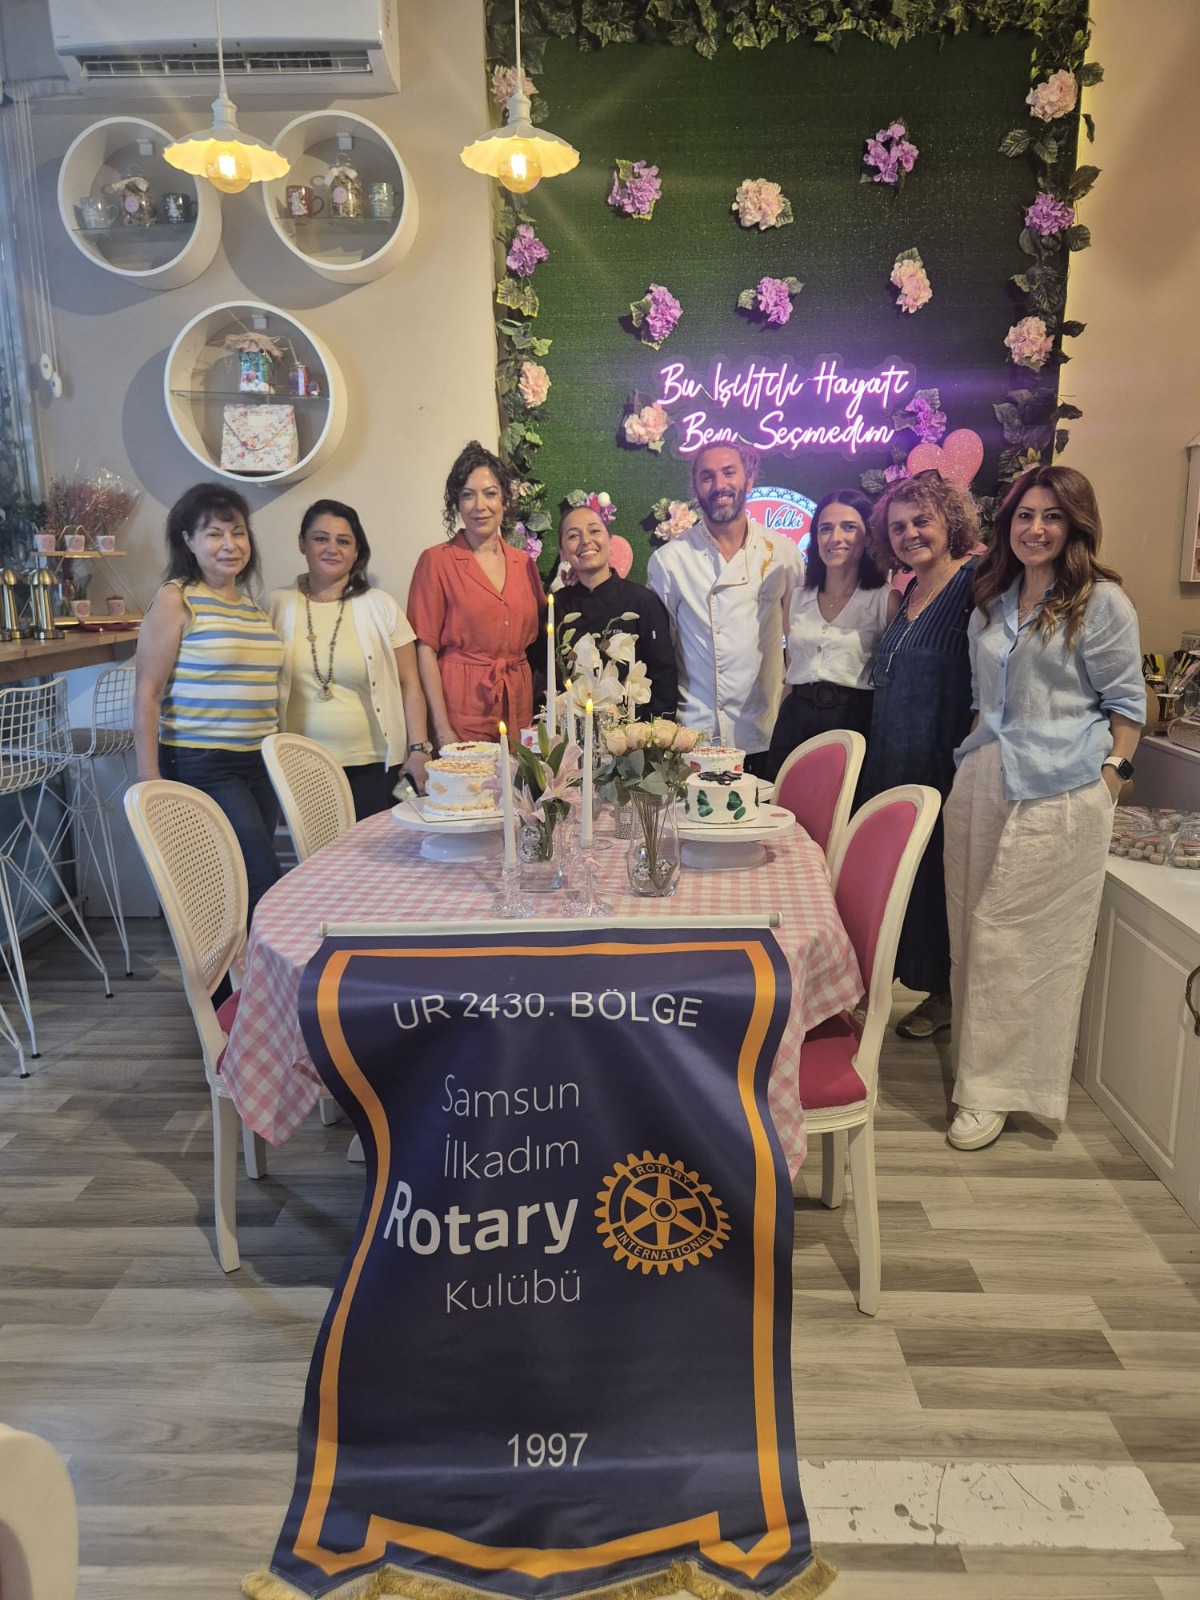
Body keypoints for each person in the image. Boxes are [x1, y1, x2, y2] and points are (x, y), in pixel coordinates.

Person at [943, 465, 1143, 1151]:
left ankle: (999, 1092)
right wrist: (969, 762)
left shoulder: (1101, 602)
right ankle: (975, 1071)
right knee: (972, 933)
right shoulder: (990, 598)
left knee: (1024, 942)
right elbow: (983, 701)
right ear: (1008, 524)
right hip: (984, 778)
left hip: (1061, 788)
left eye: (1052, 516)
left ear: (1074, 525)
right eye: (1025, 515)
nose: (1036, 529)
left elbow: (1127, 707)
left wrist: (1110, 780)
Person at [858, 470, 979, 1040]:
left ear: (950, 521)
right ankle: (892, 982)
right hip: (891, 760)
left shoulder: (975, 584)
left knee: (934, 880)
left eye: (921, 521)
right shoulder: (910, 591)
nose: (910, 534)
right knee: (898, 878)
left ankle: (943, 995)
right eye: (898, 526)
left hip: (939, 763)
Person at [133, 483, 285, 924]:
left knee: (240, 880)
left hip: (259, 760)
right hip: (203, 761)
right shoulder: (176, 598)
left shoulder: (253, 608)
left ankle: (238, 962)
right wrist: (149, 778)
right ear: (188, 540)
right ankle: (247, 966)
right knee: (262, 879)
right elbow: (147, 692)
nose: (229, 545)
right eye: (214, 534)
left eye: (238, 533)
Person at [268, 499, 432, 819]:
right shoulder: (276, 605)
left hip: (375, 765)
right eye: (321, 538)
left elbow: (410, 683)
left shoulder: (381, 605)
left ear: (356, 551)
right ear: (302, 543)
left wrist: (418, 750)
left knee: (378, 847)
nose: (332, 549)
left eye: (343, 541)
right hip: (300, 767)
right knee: (317, 850)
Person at [647, 442, 801, 773]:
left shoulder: (782, 553)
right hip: (696, 735)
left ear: (749, 479)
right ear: (695, 488)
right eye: (707, 477)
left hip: (765, 730)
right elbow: (661, 654)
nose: (719, 485)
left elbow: (798, 642)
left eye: (729, 472)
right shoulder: (670, 561)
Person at [408, 441, 545, 746]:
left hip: (517, 704)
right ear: (456, 503)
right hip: (462, 707)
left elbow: (537, 637)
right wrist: (442, 729)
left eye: (490, 493)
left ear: (504, 499)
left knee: (518, 777)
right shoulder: (436, 562)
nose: (480, 506)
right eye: (468, 495)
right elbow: (425, 649)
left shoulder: (523, 563)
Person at [764, 488, 900, 781]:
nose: (835, 537)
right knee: (783, 802)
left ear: (868, 536)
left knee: (844, 806)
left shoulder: (885, 600)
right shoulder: (798, 598)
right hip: (794, 720)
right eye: (825, 529)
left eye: (848, 527)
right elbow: (791, 673)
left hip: (855, 722)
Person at [555, 499, 678, 719]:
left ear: (611, 543)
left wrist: (650, 734)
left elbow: (664, 679)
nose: (586, 540)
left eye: (594, 531)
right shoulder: (556, 608)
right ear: (563, 552)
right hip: (571, 733)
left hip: (634, 734)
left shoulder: (643, 602)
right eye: (573, 536)